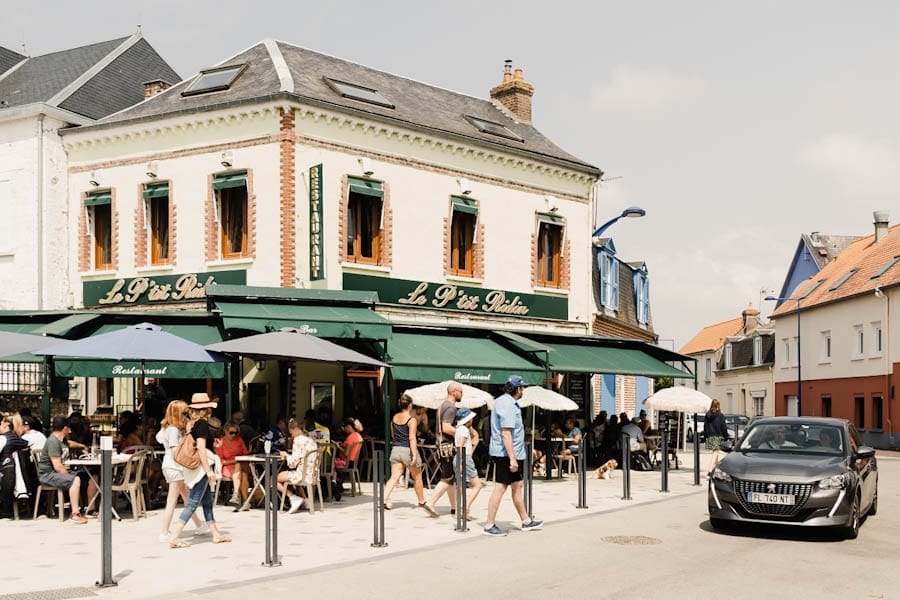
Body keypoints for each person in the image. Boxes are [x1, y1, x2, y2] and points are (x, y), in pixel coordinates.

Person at [168, 393, 230, 548]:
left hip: (197, 468)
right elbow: (201, 449)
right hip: (201, 468)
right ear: (205, 409)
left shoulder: (193, 424)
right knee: (193, 502)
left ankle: (216, 534)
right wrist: (209, 471)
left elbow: (200, 444)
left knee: (207, 502)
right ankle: (175, 536)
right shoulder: (202, 424)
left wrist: (212, 442)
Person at [483, 376, 542, 536]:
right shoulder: (508, 404)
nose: (522, 390)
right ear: (517, 389)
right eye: (522, 388)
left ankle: (526, 521)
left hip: (511, 452)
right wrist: (513, 458)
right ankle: (489, 525)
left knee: (517, 485)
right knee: (500, 487)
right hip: (506, 454)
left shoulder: (504, 402)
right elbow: (506, 433)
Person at [156, 400, 205, 541]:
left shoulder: (169, 428)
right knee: (172, 499)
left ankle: (199, 524)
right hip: (174, 466)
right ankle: (164, 531)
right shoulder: (173, 430)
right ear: (178, 413)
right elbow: (175, 451)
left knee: (187, 497)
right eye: (184, 413)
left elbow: (159, 438)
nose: (187, 415)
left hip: (173, 466)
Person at [36, 416, 97, 524]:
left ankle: (91, 508)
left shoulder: (62, 440)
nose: (69, 430)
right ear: (65, 428)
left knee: (92, 475)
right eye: (68, 428)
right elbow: (57, 466)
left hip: (58, 472)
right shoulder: (53, 442)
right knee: (75, 480)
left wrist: (81, 446)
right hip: (48, 474)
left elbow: (70, 443)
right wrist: (69, 475)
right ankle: (75, 513)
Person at [422, 382, 463, 517]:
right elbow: (446, 427)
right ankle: (431, 503)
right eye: (461, 392)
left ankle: (454, 507)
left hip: (441, 446)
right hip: (448, 447)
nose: (462, 394)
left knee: (450, 478)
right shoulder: (451, 408)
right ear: (454, 392)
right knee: (448, 477)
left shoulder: (442, 406)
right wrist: (460, 432)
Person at [382, 395, 425, 510]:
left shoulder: (394, 418)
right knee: (417, 477)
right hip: (407, 450)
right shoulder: (412, 420)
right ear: (410, 405)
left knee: (394, 477)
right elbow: (412, 438)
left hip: (396, 449)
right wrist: (414, 454)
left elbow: (392, 434)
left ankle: (383, 500)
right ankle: (421, 501)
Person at [277, 419, 318, 514]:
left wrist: (286, 455)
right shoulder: (310, 439)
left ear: (294, 429)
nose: (291, 436)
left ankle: (292, 497)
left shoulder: (298, 440)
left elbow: (293, 464)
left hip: (302, 475)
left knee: (274, 479)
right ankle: (305, 500)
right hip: (313, 474)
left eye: (291, 433)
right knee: (293, 479)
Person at [453, 408, 483, 520]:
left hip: (458, 458)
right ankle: (465, 509)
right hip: (464, 458)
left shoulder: (458, 429)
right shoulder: (465, 430)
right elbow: (461, 446)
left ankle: (458, 510)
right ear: (468, 420)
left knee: (460, 487)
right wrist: (461, 461)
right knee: (477, 485)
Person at [0, 413, 29, 518]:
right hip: (21, 481)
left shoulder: (3, 439)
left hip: (5, 478)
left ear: (5, 425)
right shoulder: (22, 441)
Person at [215, 421, 250, 508]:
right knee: (243, 475)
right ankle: (245, 501)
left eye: (236, 433)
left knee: (240, 467)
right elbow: (220, 460)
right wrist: (235, 461)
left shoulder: (239, 440)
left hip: (241, 465)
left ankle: (236, 494)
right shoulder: (220, 442)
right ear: (225, 431)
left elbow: (246, 453)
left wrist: (238, 460)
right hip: (227, 466)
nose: (234, 435)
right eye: (231, 433)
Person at [704, 399, 730, 466]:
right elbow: (723, 426)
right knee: (715, 452)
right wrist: (726, 436)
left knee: (715, 452)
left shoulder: (707, 415)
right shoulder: (720, 415)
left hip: (710, 436)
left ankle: (715, 467)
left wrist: (706, 436)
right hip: (717, 435)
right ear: (718, 405)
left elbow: (705, 426)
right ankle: (710, 470)